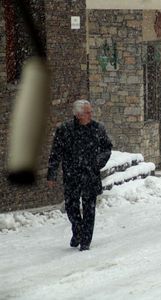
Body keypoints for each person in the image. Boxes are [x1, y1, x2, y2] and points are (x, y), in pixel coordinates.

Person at [47, 100, 113, 251]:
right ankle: (77, 231)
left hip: (91, 174)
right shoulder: (64, 130)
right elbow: (55, 153)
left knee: (89, 208)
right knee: (71, 207)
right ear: (78, 114)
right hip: (72, 174)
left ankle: (86, 240)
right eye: (87, 112)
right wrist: (51, 174)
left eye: (91, 112)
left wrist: (98, 162)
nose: (91, 114)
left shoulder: (97, 129)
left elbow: (107, 148)